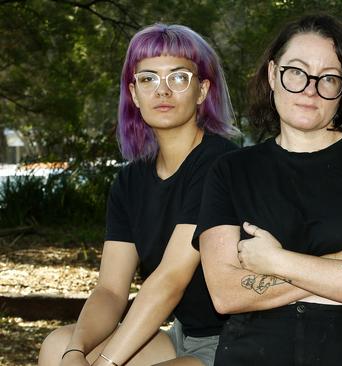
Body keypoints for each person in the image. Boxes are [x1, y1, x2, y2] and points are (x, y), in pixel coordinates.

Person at [195, 14, 342, 366]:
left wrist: (275, 262)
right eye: (296, 72)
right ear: (273, 74)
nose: (309, 88)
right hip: (254, 354)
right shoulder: (231, 170)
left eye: (328, 78)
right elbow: (227, 294)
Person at [38, 24, 238, 366]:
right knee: (58, 346)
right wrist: (75, 351)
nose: (162, 90)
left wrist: (106, 363)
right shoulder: (130, 180)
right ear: (133, 92)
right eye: (148, 79)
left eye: (178, 78)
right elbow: (111, 291)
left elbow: (171, 279)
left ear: (202, 90)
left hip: (237, 339)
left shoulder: (219, 163)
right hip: (181, 335)